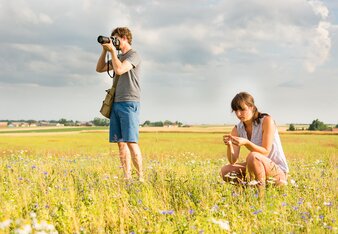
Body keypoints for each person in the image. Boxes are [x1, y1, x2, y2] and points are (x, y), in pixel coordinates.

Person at [96, 27, 143, 182]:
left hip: (129, 101)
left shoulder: (133, 55)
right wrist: (105, 50)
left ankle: (141, 178)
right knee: (121, 143)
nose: (113, 42)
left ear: (124, 38)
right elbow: (99, 68)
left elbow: (120, 69)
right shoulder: (118, 55)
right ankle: (127, 178)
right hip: (116, 102)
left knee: (131, 141)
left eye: (115, 39)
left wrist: (113, 53)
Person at [220, 92, 289, 189]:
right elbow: (232, 160)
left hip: (277, 171)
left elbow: (265, 151)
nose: (238, 114)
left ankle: (259, 197)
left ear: (252, 107)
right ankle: (247, 192)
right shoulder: (237, 128)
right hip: (258, 169)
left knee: (253, 156)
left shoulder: (266, 120)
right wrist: (229, 145)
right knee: (225, 170)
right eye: (235, 110)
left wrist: (247, 143)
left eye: (242, 109)